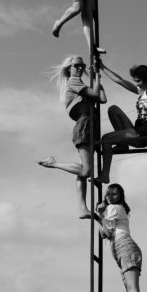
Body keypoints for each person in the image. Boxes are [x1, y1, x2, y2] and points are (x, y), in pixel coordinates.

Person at [38, 55, 106, 218]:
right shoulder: (73, 82)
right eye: (77, 65)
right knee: (86, 171)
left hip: (90, 125)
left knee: (83, 170)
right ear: (69, 68)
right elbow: (96, 93)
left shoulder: (79, 84)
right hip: (85, 125)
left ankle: (82, 208)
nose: (80, 67)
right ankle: (53, 163)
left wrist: (96, 79)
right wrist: (95, 76)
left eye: (82, 65)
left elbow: (102, 98)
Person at [95, 63, 147, 184]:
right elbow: (120, 81)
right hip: (137, 128)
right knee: (113, 109)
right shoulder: (142, 92)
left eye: (138, 81)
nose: (137, 84)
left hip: (145, 132)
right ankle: (123, 145)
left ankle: (105, 175)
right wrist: (102, 67)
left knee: (106, 139)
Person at [96, 183, 142, 292]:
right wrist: (101, 216)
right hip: (123, 249)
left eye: (114, 194)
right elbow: (104, 233)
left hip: (124, 247)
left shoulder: (114, 207)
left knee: (133, 289)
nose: (110, 197)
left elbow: (106, 232)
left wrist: (99, 215)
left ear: (120, 197)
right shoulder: (112, 210)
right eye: (108, 194)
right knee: (131, 291)